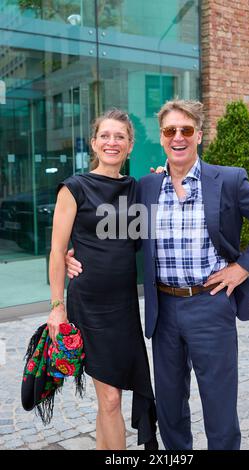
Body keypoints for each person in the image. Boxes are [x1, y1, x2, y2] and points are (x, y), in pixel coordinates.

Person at [66, 99, 249, 450]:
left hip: (210, 306)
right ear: (162, 136)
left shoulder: (228, 180)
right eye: (171, 130)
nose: (178, 137)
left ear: (199, 135)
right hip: (164, 311)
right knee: (169, 408)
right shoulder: (146, 187)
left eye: (186, 130)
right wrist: (73, 253)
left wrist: (243, 268)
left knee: (219, 407)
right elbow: (115, 233)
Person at [47, 108, 157, 451]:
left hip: (124, 306)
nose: (112, 142)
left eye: (120, 137)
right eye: (105, 136)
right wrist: (56, 307)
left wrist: (160, 182)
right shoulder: (74, 188)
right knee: (110, 397)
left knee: (110, 398)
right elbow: (56, 251)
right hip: (89, 305)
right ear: (94, 143)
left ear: (130, 145)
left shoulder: (137, 189)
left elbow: (139, 241)